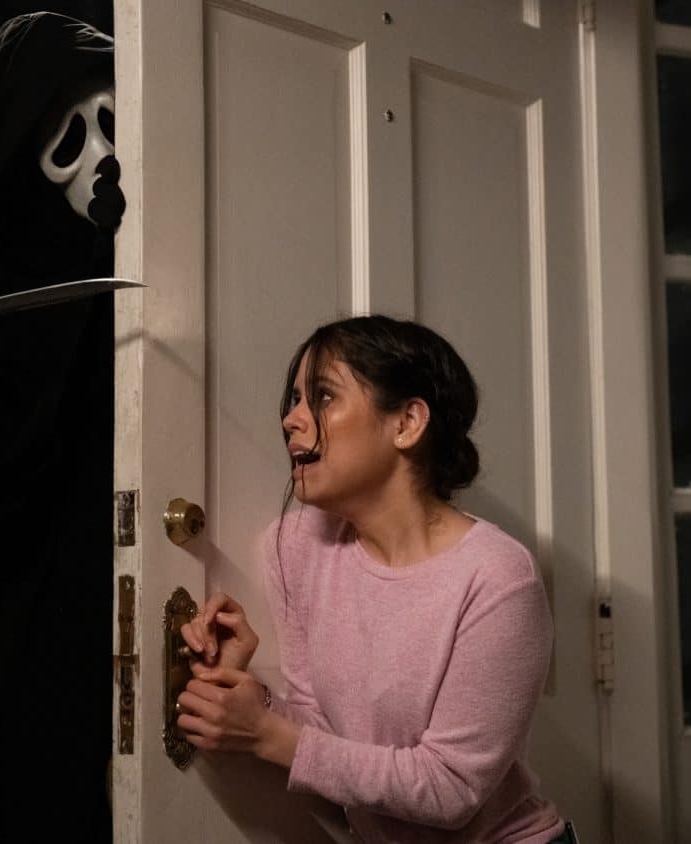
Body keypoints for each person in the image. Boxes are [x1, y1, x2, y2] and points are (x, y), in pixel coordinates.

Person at [178, 315, 576, 843]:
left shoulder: (498, 578)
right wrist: (251, 697)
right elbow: (326, 741)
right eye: (294, 400)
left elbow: (450, 789)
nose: (291, 420)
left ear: (407, 423)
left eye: (322, 396)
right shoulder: (296, 547)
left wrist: (265, 734)